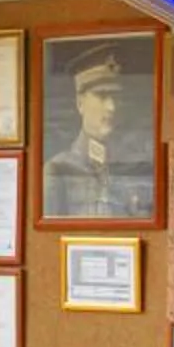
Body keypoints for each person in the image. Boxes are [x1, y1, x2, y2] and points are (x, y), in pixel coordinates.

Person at [42, 43, 155, 218]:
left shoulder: (138, 167)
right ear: (80, 103)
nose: (112, 107)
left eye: (117, 97)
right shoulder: (59, 169)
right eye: (102, 96)